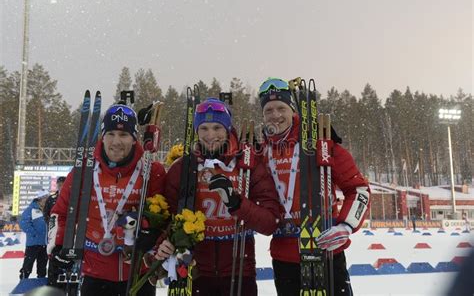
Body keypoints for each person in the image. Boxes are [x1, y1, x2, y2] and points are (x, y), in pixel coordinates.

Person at [258, 78, 371, 296]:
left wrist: (346, 226)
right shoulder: (260, 152)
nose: (275, 115)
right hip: (284, 257)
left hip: (326, 250)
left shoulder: (322, 143)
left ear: (293, 110)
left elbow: (358, 189)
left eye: (281, 108)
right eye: (268, 110)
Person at [157, 98, 280, 295]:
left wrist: (236, 202)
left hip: (239, 273)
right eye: (204, 128)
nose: (210, 135)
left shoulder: (248, 166)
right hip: (194, 272)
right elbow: (166, 219)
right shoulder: (182, 168)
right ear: (196, 130)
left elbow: (270, 222)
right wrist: (163, 243)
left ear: (228, 129)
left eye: (217, 127)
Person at [48, 103, 167, 296]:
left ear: (134, 137)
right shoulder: (84, 170)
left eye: (124, 135)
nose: (116, 141)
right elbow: (60, 213)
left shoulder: (152, 171)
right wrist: (58, 247)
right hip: (95, 273)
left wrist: (151, 232)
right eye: (110, 134)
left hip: (137, 274)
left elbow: (164, 217)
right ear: (102, 137)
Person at [19, 189, 50, 279]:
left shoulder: (48, 210)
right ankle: (23, 280)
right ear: (39, 199)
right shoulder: (30, 210)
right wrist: (33, 233)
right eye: (45, 199)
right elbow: (24, 223)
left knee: (42, 266)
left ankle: (41, 281)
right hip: (33, 244)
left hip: (45, 244)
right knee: (28, 265)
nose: (47, 201)